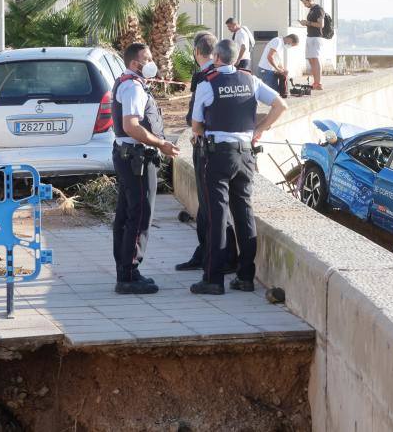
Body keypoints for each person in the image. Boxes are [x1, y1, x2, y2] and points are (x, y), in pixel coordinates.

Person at [190, 39, 288, 294]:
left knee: (217, 216)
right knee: (244, 214)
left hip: (218, 155)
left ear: (216, 57)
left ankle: (213, 280)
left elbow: (196, 125)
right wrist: (259, 129)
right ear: (235, 58)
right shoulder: (251, 80)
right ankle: (245, 277)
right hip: (246, 154)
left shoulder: (207, 82)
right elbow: (281, 105)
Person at [112, 43, 180, 294]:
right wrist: (161, 143)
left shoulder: (130, 82)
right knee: (139, 216)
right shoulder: (132, 87)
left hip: (129, 156)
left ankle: (126, 271)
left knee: (127, 214)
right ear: (134, 63)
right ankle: (128, 275)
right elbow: (131, 126)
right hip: (136, 159)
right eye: (147, 58)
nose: (152, 62)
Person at [175, 32, 218, 271]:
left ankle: (208, 255)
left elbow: (195, 117)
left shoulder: (203, 77)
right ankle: (209, 253)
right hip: (232, 148)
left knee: (207, 204)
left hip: (206, 147)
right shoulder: (236, 74)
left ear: (197, 53)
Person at [299, 0, 325, 90]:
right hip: (310, 36)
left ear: (310, 0)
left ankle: (319, 83)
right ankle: (315, 82)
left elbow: (321, 25)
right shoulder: (311, 10)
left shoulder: (318, 9)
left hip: (316, 37)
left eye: (305, 3)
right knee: (310, 59)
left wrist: (308, 22)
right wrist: (305, 23)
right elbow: (311, 24)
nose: (305, 5)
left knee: (315, 59)